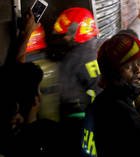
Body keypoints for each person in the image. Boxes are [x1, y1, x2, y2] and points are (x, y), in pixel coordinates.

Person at [82, 33, 140, 157]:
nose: (138, 69)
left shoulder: (100, 103)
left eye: (139, 63)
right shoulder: (125, 116)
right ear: (113, 74)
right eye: (128, 66)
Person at [47, 7, 103, 156]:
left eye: (65, 35)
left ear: (77, 32)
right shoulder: (95, 48)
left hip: (78, 125)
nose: (64, 38)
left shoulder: (76, 59)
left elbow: (67, 98)